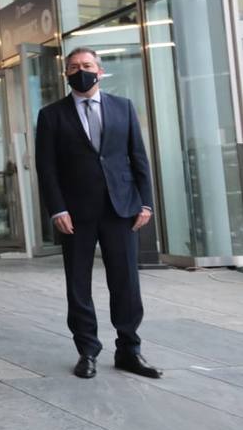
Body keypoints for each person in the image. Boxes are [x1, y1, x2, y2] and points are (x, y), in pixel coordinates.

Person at [35, 47, 159, 380]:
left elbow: (139, 158)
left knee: (126, 283)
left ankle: (129, 349)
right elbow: (46, 169)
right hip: (74, 214)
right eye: (73, 67)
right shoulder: (51, 115)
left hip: (121, 209)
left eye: (87, 65)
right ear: (66, 74)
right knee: (78, 284)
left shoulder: (123, 107)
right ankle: (87, 350)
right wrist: (56, 208)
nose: (81, 71)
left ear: (100, 71)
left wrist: (145, 202)